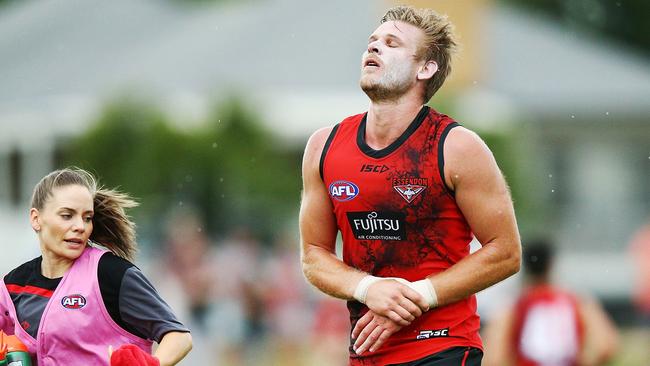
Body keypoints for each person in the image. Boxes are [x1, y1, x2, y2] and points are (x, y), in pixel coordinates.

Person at [299, 5, 521, 365]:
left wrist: (416, 295)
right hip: (368, 353)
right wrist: (369, 288)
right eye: (372, 42)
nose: (373, 48)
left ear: (425, 68)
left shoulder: (457, 146)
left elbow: (506, 253)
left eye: (391, 43)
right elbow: (313, 256)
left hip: (442, 347)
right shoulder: (323, 147)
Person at [0, 168, 192, 365]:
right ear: (36, 219)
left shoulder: (112, 274)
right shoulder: (12, 284)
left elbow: (179, 337)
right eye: (67, 215)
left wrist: (151, 364)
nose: (80, 227)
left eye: (87, 218)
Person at [482, 239, 619, 366]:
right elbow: (606, 346)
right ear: (551, 264)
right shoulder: (576, 300)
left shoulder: (512, 305)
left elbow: (493, 357)